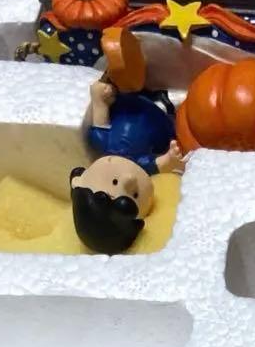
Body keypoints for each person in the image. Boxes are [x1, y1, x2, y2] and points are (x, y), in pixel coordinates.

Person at [70, 80, 185, 255]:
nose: (129, 179)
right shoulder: (142, 163)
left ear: (78, 179)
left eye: (114, 182)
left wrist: (99, 100)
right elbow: (156, 164)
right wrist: (169, 160)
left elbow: (100, 121)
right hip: (163, 122)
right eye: (135, 194)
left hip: (129, 101)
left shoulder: (103, 142)